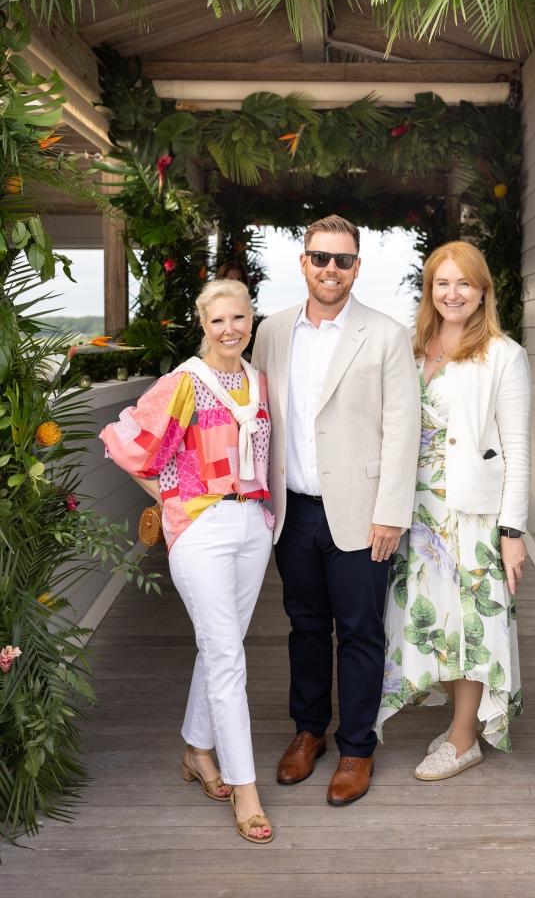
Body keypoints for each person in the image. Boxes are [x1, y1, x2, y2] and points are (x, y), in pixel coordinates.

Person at [252, 215, 421, 805]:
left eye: (342, 260)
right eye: (320, 258)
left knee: (359, 631)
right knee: (304, 627)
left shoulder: (386, 334)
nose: (331, 269)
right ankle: (308, 732)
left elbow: (403, 428)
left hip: (362, 511)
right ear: (303, 262)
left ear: (356, 267)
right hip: (292, 509)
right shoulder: (272, 331)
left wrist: (391, 512)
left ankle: (356, 747)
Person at [100, 279, 275, 844]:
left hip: (253, 525)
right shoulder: (185, 382)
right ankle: (245, 789)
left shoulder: (257, 382)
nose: (230, 329)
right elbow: (123, 440)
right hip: (202, 529)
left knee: (222, 647)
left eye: (239, 318)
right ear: (203, 324)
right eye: (218, 320)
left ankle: (198, 752)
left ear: (251, 320)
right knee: (226, 655)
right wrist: (172, 500)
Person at [376, 240, 531, 780]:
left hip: (470, 513)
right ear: (430, 290)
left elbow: (517, 450)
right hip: (414, 510)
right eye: (442, 283)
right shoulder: (411, 345)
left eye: (464, 282)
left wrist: (513, 531)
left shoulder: (503, 354)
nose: (453, 293)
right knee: (430, 621)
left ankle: (464, 737)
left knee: (470, 624)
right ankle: (459, 721)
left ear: (483, 290)